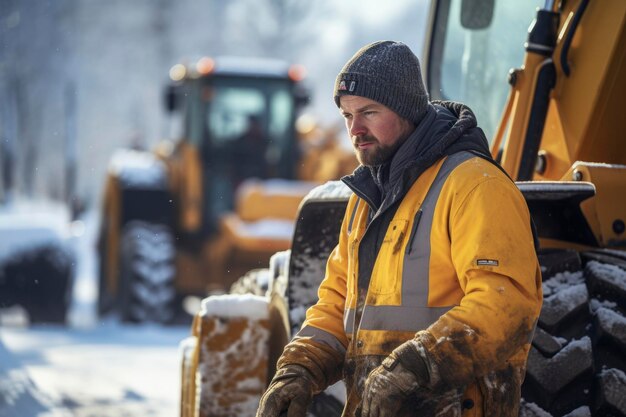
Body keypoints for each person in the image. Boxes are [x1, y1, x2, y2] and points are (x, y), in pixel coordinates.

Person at [256, 41, 543, 417]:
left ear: (407, 109)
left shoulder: (475, 185)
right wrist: (300, 368)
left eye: (368, 112)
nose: (355, 129)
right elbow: (337, 303)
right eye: (346, 115)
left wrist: (417, 366)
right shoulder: (365, 200)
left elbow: (508, 302)